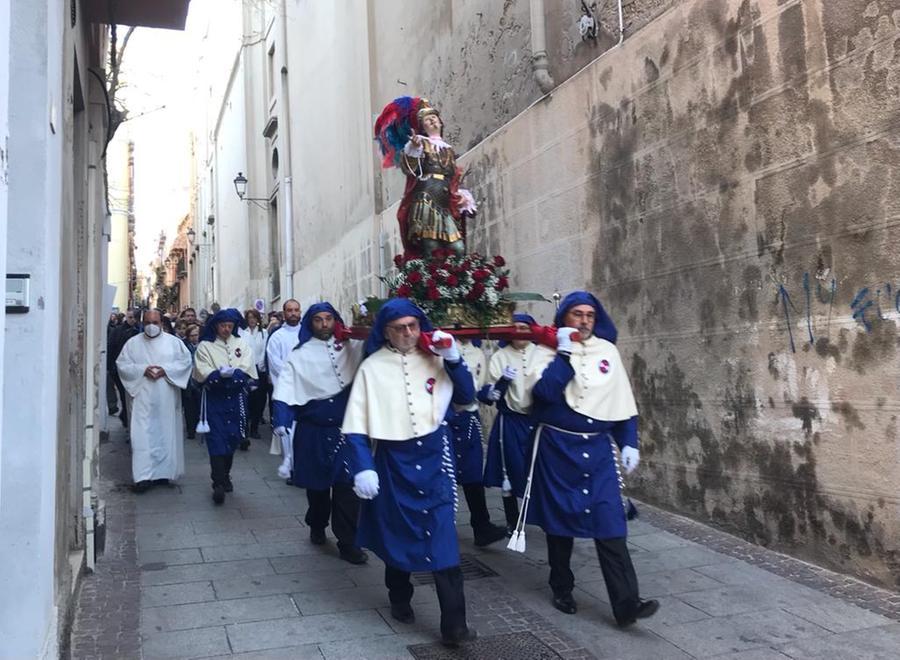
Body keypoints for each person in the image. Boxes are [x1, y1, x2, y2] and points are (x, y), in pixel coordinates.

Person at [342, 299, 478, 647]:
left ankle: (455, 626)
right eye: (400, 328)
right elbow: (356, 426)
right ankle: (399, 595)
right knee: (397, 533)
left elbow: (466, 395)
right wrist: (363, 469)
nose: (408, 333)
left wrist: (454, 359)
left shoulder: (436, 355)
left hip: (435, 461)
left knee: (444, 542)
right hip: (393, 462)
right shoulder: (372, 368)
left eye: (413, 326)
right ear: (386, 331)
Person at [524, 291, 658, 626]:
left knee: (610, 523)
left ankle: (627, 603)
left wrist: (628, 442)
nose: (584, 321)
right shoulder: (544, 351)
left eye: (589, 316)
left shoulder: (607, 351)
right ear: (564, 318)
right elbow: (543, 395)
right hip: (557, 450)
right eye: (576, 315)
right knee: (560, 525)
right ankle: (562, 586)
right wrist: (564, 354)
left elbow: (622, 402)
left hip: (598, 452)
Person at [271, 303, 367, 564]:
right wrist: (282, 420)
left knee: (348, 488)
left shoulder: (351, 347)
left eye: (328, 319)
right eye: (318, 320)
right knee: (318, 488)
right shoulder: (299, 355)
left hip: (346, 432)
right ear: (310, 323)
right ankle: (316, 523)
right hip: (313, 432)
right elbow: (286, 388)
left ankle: (348, 542)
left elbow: (372, 349)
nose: (324, 324)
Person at [374, 97, 476, 258]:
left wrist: (462, 196)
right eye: (428, 120)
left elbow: (453, 178)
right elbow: (409, 168)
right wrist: (413, 147)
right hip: (426, 201)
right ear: (423, 126)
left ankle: (451, 277)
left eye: (434, 118)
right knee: (431, 247)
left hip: (444, 204)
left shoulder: (448, 149)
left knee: (458, 248)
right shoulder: (420, 144)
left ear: (441, 122)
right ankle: (432, 279)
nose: (433, 122)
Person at [115, 309, 193, 492]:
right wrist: (143, 369)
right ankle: (143, 476)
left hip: (166, 396)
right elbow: (123, 365)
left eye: (155, 322)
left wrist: (166, 370)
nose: (151, 326)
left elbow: (185, 362)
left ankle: (163, 473)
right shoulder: (132, 344)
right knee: (141, 436)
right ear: (143, 323)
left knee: (166, 433)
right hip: (142, 397)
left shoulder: (174, 343)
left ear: (161, 323)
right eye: (148, 322)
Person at [193, 308, 258, 504]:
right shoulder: (205, 346)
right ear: (215, 326)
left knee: (232, 438)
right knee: (216, 439)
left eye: (230, 326)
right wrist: (217, 377)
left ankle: (225, 474)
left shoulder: (241, 343)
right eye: (223, 326)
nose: (226, 329)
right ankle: (218, 482)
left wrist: (236, 377)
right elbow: (201, 369)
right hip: (215, 399)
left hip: (236, 398)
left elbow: (247, 366)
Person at [480, 313, 538, 533]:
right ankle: (513, 520)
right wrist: (503, 381)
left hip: (537, 422)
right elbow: (489, 394)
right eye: (516, 327)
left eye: (525, 327)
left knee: (538, 469)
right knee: (511, 470)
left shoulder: (541, 353)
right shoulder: (499, 356)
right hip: (511, 422)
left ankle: (539, 513)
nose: (520, 332)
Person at [448, 339, 507, 546]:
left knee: (473, 475)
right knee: (444, 475)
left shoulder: (477, 353)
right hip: (444, 418)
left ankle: (481, 526)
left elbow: (479, 388)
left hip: (469, 418)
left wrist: (487, 394)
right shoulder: (439, 345)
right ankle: (439, 527)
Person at [266, 299, 302, 466]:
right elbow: (274, 362)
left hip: (306, 389)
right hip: (286, 390)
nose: (293, 313)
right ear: (284, 313)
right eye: (290, 310)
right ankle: (290, 465)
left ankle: (302, 464)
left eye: (296, 310)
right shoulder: (277, 337)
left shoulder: (307, 334)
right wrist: (294, 374)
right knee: (287, 430)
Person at [109, 308, 141, 428]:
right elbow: (112, 348)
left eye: (134, 318)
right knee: (124, 397)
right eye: (130, 317)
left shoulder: (139, 331)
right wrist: (111, 367)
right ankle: (127, 421)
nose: (132, 320)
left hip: (136, 370)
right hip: (120, 369)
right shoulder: (118, 331)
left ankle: (130, 420)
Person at [239, 308, 268, 441]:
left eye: (254, 317)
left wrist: (261, 364)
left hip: (259, 369)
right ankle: (244, 427)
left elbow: (265, 350)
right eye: (249, 317)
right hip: (247, 369)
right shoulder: (242, 333)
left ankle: (254, 428)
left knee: (259, 400)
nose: (252, 320)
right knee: (247, 400)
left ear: (258, 319)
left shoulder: (264, 333)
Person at [182, 322, 202, 439]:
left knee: (199, 405)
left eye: (196, 335)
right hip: (188, 380)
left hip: (199, 379)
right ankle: (191, 429)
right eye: (192, 335)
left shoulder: (202, 346)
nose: (195, 337)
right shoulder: (184, 346)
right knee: (189, 407)